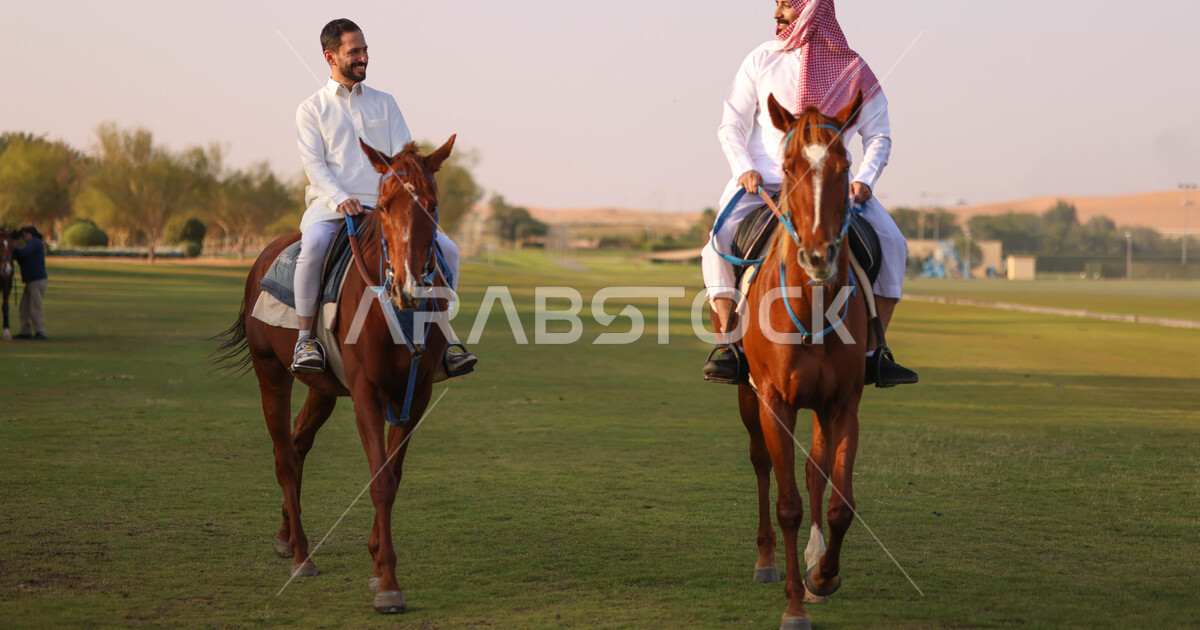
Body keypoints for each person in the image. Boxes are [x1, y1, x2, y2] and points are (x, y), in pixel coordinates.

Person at [701, 0, 917, 387]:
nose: (775, 14)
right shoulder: (760, 59)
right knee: (717, 241)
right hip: (764, 182)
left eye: (785, 5)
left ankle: (873, 353)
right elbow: (730, 125)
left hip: (833, 186)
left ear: (811, 9)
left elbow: (879, 134)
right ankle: (729, 346)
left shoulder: (854, 69)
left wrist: (864, 179)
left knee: (894, 243)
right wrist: (743, 168)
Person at [292, 18, 476, 375]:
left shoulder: (385, 103)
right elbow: (314, 164)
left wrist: (401, 199)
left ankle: (445, 336)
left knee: (449, 250)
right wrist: (340, 198)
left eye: (365, 51)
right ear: (330, 56)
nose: (363, 58)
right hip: (332, 208)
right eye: (354, 52)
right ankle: (305, 339)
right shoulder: (311, 109)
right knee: (313, 245)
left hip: (386, 208)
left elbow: (403, 157)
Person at [13, 226, 48, 340]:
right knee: (24, 307)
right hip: (31, 281)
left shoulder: (35, 243)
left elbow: (24, 254)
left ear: (30, 234)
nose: (23, 238)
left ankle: (41, 332)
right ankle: (25, 331)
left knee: (34, 306)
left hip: (36, 280)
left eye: (24, 235)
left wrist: (13, 248)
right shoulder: (32, 244)